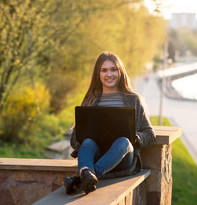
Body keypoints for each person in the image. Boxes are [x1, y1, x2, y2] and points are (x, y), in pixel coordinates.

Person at [64, 51, 156, 195]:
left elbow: (150, 134)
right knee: (87, 142)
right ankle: (87, 178)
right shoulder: (90, 100)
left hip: (122, 158)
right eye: (104, 70)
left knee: (124, 141)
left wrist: (135, 137)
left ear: (120, 72)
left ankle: (83, 178)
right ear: (98, 74)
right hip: (96, 155)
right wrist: (84, 137)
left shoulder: (134, 100)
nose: (109, 74)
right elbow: (74, 139)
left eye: (113, 69)